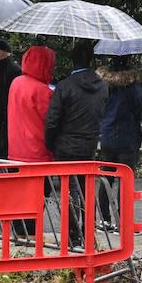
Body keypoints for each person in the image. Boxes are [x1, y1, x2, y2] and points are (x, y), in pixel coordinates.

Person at [45, 42, 110, 248]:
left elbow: (52, 120)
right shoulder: (103, 87)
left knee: (69, 190)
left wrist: (51, 143)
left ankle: (72, 236)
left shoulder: (65, 86)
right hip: (89, 144)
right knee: (85, 188)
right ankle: (87, 233)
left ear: (71, 60)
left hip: (65, 146)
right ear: (92, 60)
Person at [98, 55, 142, 229]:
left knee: (106, 178)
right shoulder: (133, 86)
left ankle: (104, 218)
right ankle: (123, 220)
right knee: (125, 180)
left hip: (108, 135)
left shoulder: (103, 84)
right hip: (128, 137)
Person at [8, 45, 56, 163]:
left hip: (15, 150)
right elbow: (52, 122)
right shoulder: (44, 91)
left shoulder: (16, 82)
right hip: (38, 153)